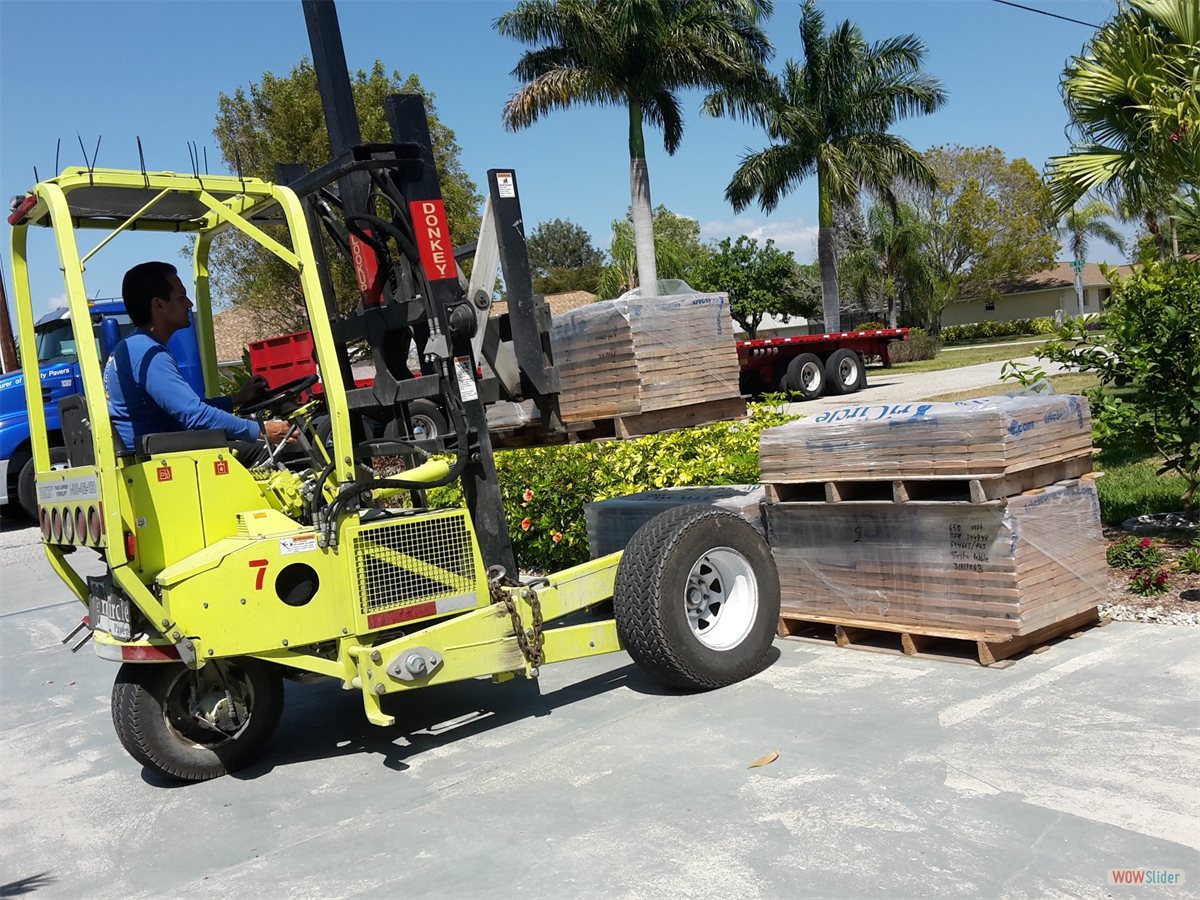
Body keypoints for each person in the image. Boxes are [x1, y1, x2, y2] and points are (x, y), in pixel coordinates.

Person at [105, 261, 290, 466]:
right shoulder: (149, 354)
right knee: (266, 450)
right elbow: (195, 415)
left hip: (156, 450)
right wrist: (262, 430)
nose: (189, 304)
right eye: (181, 297)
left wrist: (237, 399)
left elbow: (186, 408)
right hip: (161, 460)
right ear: (159, 304)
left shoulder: (132, 347)